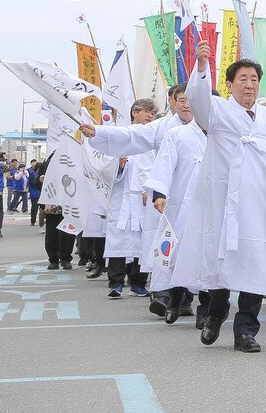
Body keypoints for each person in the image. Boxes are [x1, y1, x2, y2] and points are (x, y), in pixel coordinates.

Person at [173, 42, 266, 353]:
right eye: (242, 79)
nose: (249, 84)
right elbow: (198, 98)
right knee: (221, 262)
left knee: (254, 264)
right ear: (230, 85)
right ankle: (216, 314)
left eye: (254, 79)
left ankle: (245, 331)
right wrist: (202, 66)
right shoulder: (217, 111)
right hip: (222, 202)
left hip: (258, 203)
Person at [84, 87, 189, 310]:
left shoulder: (207, 126)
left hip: (191, 196)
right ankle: (160, 293)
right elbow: (130, 137)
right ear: (173, 101)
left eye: (191, 99)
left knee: (188, 248)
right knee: (157, 242)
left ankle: (184, 298)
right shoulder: (162, 128)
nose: (187, 104)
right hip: (160, 197)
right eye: (181, 100)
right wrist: (99, 133)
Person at [143, 97, 208, 325]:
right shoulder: (177, 134)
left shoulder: (223, 134)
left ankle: (206, 310)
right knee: (176, 252)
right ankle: (173, 299)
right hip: (181, 204)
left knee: (207, 256)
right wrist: (159, 193)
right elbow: (165, 163)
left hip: (211, 205)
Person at [84, 99, 158, 301]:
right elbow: (102, 167)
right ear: (134, 112)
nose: (150, 116)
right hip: (122, 196)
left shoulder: (153, 139)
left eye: (153, 113)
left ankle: (138, 283)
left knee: (143, 240)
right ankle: (115, 283)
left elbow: (156, 168)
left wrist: (151, 189)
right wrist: (119, 165)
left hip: (143, 197)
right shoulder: (121, 135)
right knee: (118, 239)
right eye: (147, 111)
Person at [38, 152, 77, 271]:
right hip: (52, 203)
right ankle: (53, 259)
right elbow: (36, 181)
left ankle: (66, 259)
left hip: (69, 203)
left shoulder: (73, 161)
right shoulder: (47, 162)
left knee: (68, 233)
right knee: (51, 233)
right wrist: (40, 181)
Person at [27, 162, 43, 227]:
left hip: (34, 193)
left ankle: (33, 221)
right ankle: (40, 222)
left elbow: (30, 183)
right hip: (38, 193)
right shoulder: (36, 175)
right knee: (41, 208)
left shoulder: (32, 174)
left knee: (34, 208)